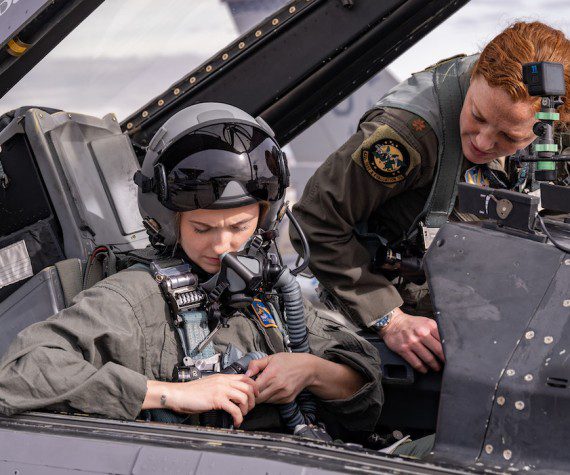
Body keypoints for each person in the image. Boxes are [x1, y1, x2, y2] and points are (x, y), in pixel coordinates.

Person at [0, 103, 383, 439]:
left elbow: (366, 386)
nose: (221, 246)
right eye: (202, 229)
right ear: (168, 221)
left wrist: (310, 370)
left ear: (265, 220)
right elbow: (19, 373)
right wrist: (171, 394)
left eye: (238, 227)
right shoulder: (136, 297)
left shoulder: (266, 290)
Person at [290, 22, 570, 374]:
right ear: (475, 76)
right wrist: (389, 318)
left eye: (509, 137)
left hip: (490, 287)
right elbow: (314, 221)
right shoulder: (406, 137)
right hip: (406, 307)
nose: (482, 142)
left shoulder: (554, 115)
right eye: (477, 116)